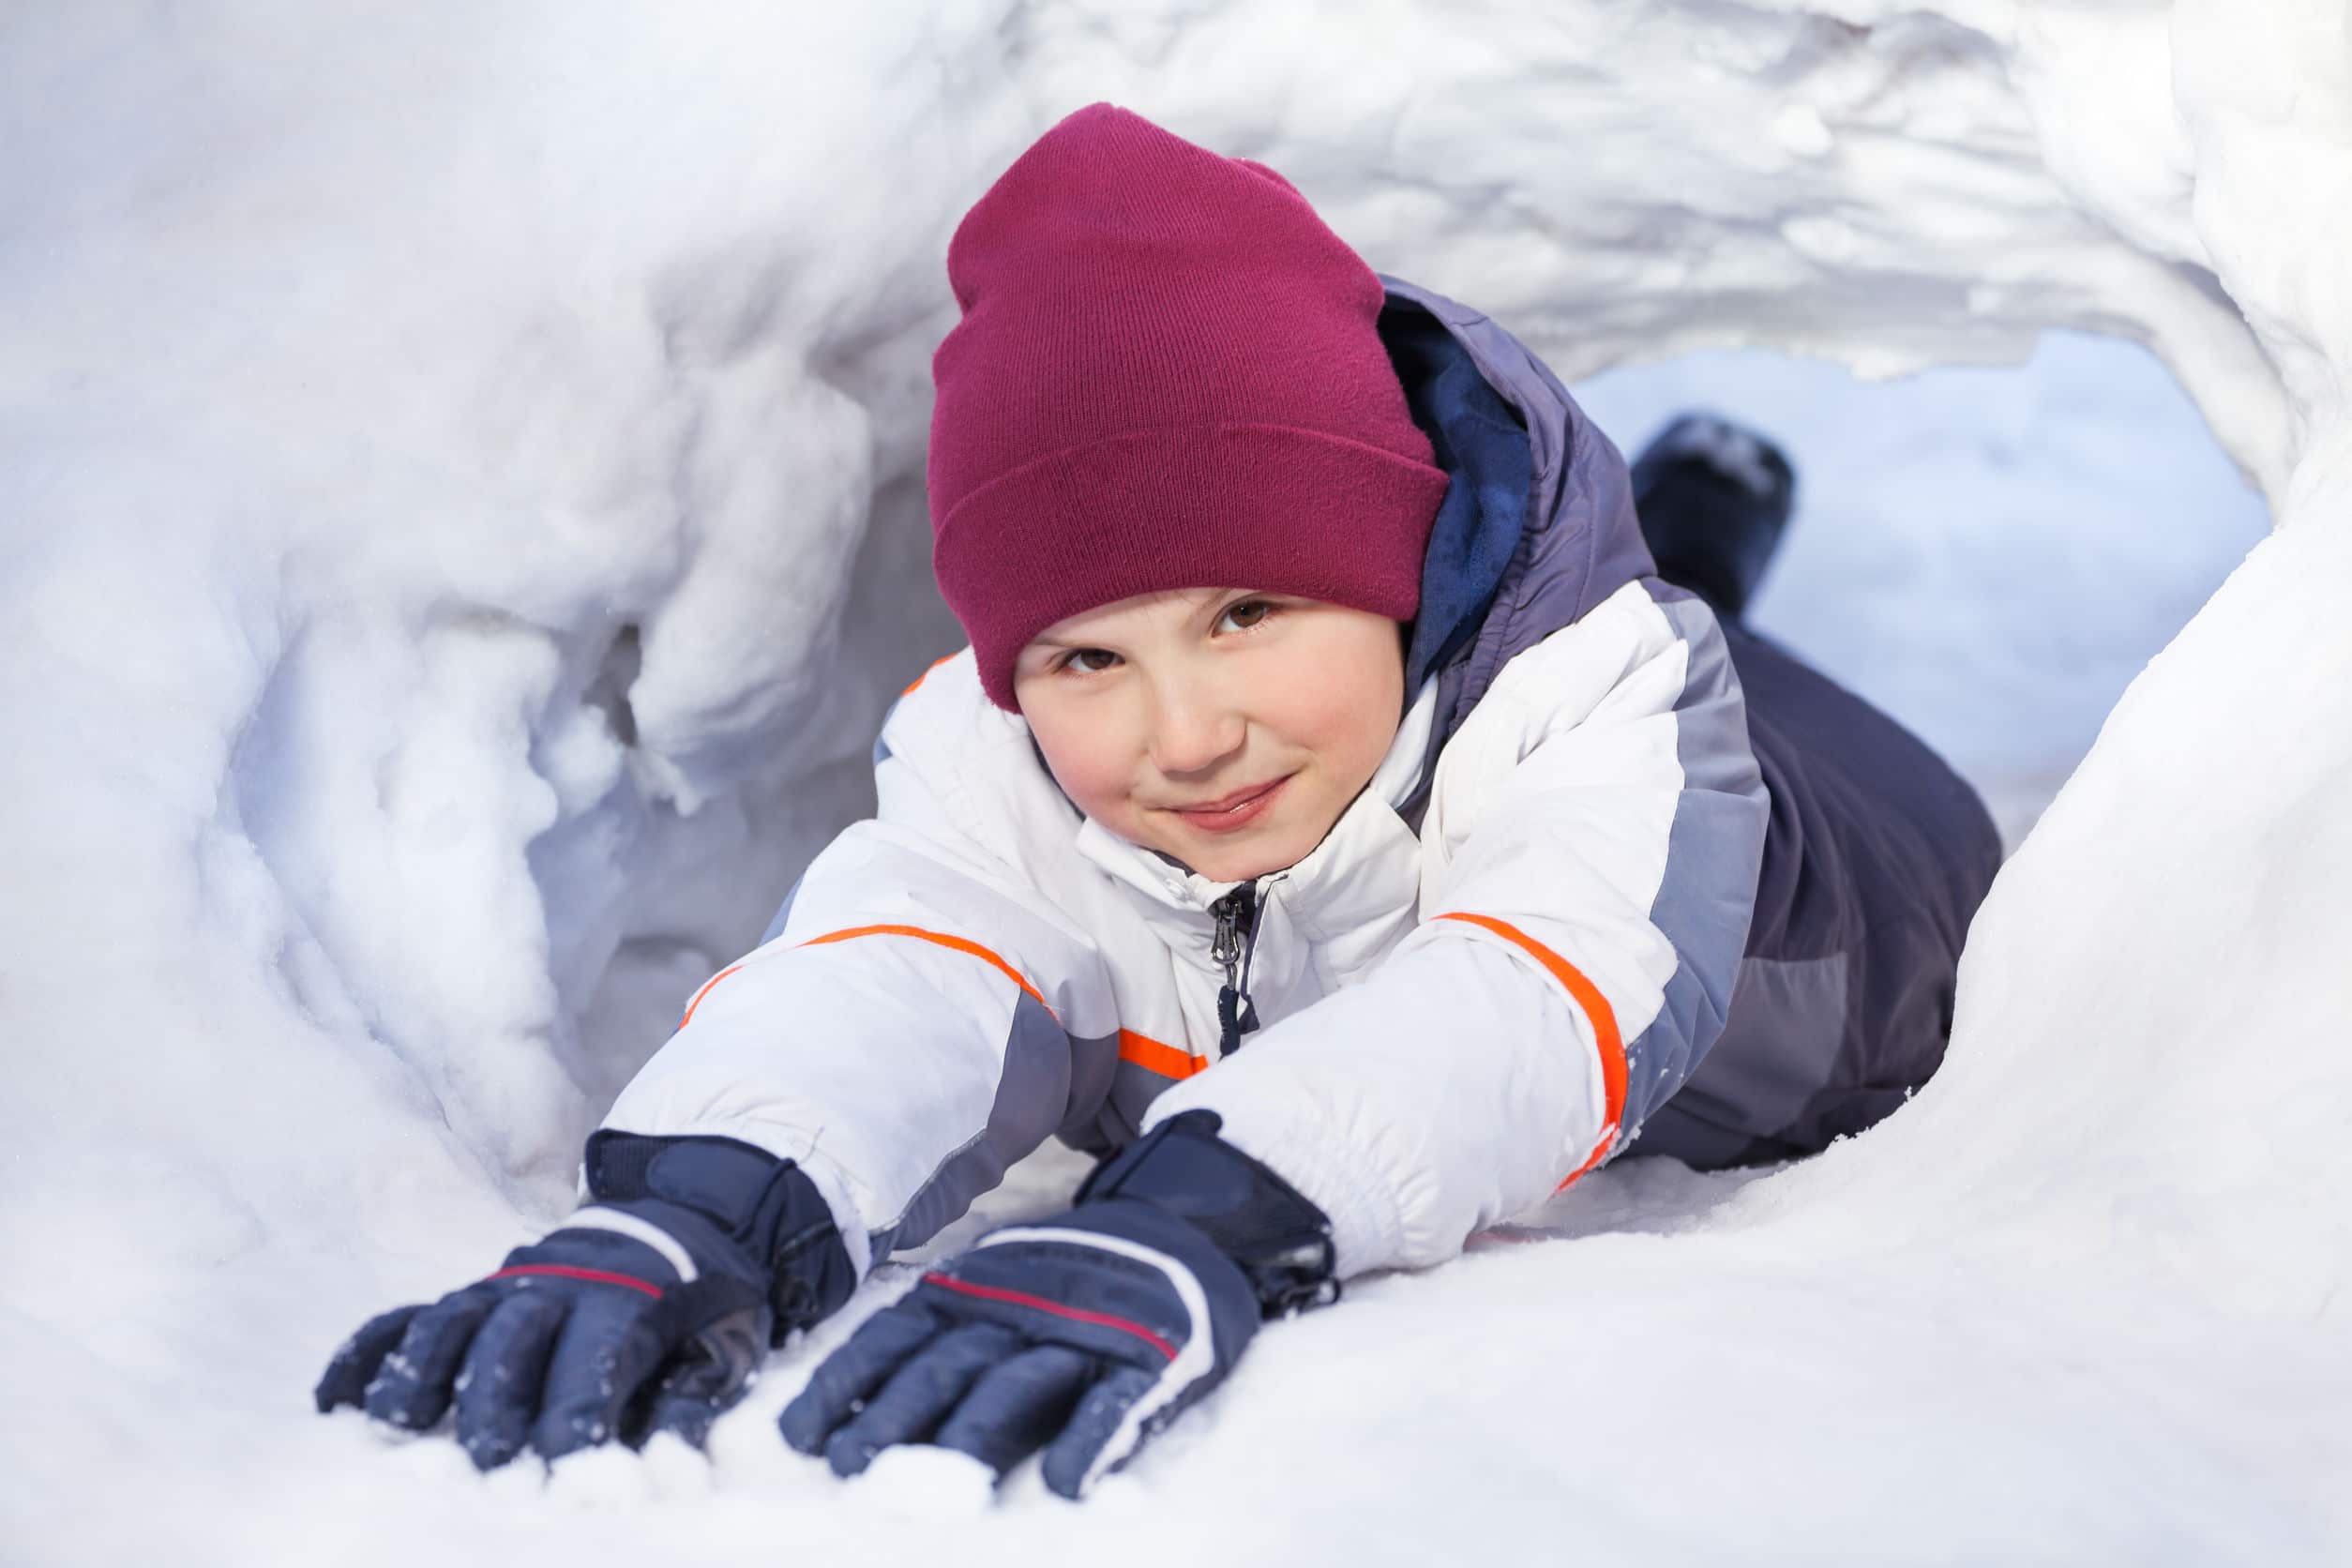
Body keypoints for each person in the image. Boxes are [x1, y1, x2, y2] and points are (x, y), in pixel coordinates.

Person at [316, 103, 2003, 1498]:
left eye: (1248, 612)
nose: (1181, 737)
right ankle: (1677, 519)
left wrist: (1217, 1206)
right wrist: (706, 1195)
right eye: (1084, 656)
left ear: (1400, 574)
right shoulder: (1003, 757)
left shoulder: (1602, 696)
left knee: (1700, 634)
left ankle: (1696, 529)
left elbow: (1535, 982)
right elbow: (901, 956)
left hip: (1842, 852)